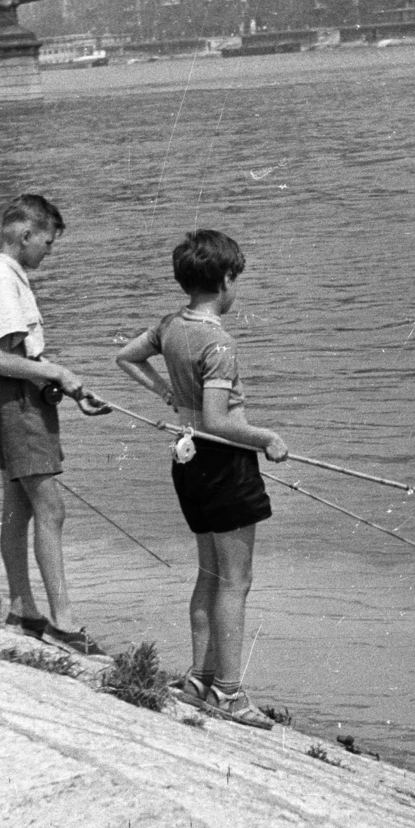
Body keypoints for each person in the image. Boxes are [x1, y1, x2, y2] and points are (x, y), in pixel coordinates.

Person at [115, 229, 288, 728]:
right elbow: (218, 420)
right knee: (236, 581)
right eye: (238, 280)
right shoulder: (219, 342)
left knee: (209, 574)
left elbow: (125, 358)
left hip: (187, 463)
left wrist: (168, 393)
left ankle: (199, 679)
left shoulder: (171, 325)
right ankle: (229, 693)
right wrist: (266, 438)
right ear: (226, 280)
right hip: (224, 463)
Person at [0, 194, 112, 656]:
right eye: (47, 243)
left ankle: (22, 611)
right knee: (51, 508)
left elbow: (19, 354)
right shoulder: (2, 282)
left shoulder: (10, 279)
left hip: (18, 398)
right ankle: (63, 623)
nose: (48, 252)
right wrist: (58, 374)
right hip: (15, 402)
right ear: (25, 234)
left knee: (20, 506)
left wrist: (71, 389)